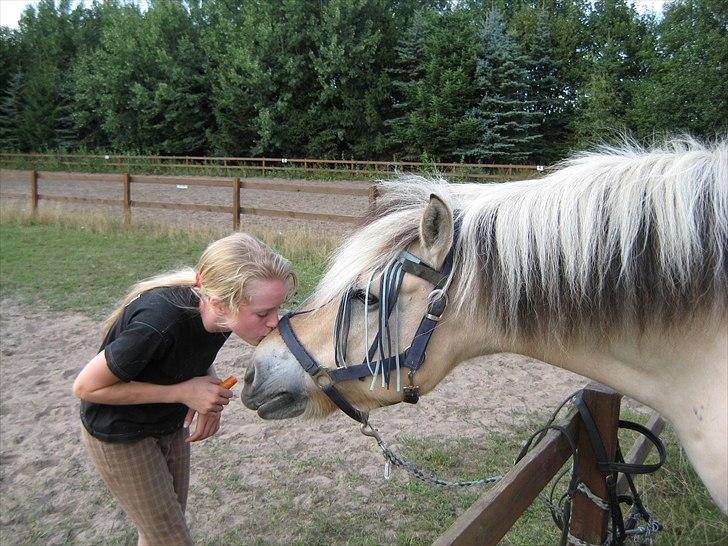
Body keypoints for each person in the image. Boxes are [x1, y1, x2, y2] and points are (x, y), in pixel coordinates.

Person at [72, 232, 296, 546]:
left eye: (277, 309)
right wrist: (182, 392)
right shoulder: (157, 323)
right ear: (219, 302)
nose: (275, 322)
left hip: (168, 424)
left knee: (158, 532)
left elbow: (194, 352)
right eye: (263, 314)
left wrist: (210, 396)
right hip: (119, 432)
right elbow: (85, 387)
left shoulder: (220, 316)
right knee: (171, 539)